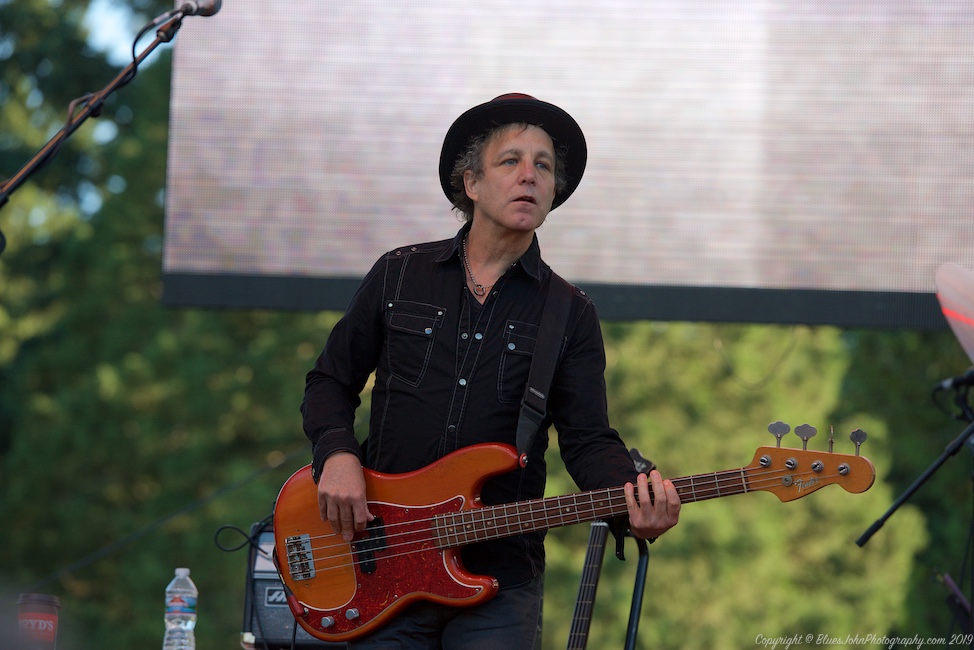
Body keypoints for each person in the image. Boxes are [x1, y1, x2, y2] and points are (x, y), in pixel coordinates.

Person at [301, 93, 681, 649]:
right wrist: (336, 455)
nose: (529, 175)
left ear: (554, 192)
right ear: (471, 183)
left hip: (501, 579)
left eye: (544, 166)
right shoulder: (400, 274)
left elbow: (587, 438)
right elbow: (330, 382)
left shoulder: (570, 312)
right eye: (511, 161)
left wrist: (634, 505)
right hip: (377, 560)